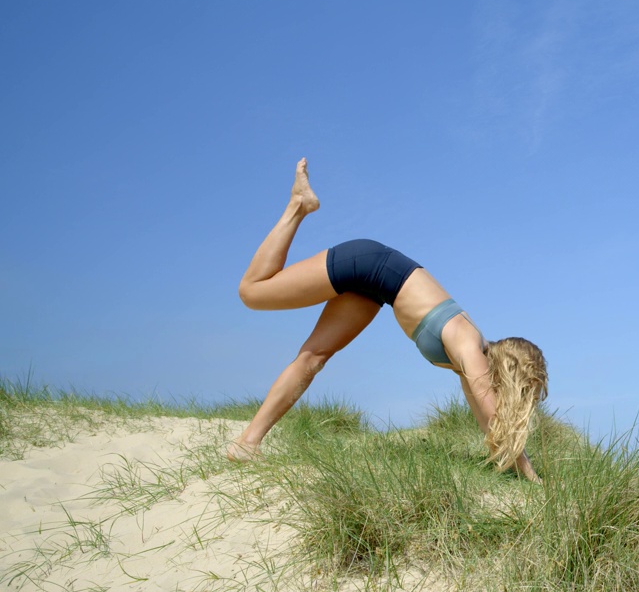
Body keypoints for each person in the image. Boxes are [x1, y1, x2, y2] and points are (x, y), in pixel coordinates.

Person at [227, 158, 546, 483]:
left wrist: (510, 467)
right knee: (252, 292)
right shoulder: (469, 344)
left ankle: (247, 443)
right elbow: (493, 415)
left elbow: (485, 421)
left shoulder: (470, 359)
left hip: (376, 291)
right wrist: (532, 476)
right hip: (370, 263)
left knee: (313, 359)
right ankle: (299, 205)